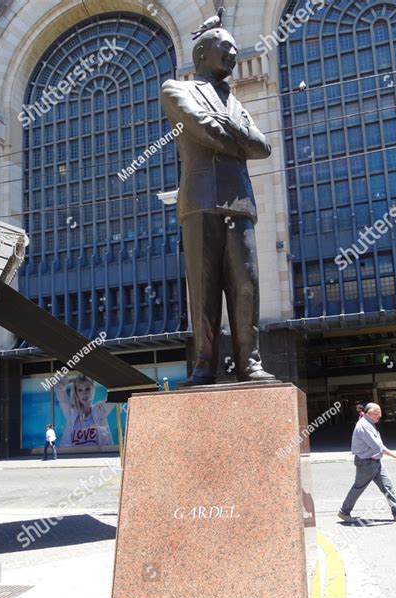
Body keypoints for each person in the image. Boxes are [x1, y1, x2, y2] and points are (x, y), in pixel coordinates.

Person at [160, 27, 276, 386]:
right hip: (199, 202)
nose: (233, 54)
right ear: (201, 54)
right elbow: (202, 127)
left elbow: (263, 148)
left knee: (246, 283)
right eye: (225, 48)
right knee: (203, 286)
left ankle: (249, 363)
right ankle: (204, 364)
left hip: (238, 202)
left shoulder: (236, 103)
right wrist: (238, 135)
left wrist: (233, 130)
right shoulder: (176, 89)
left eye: (235, 49)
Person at [338, 403, 396, 522]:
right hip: (366, 463)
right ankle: (344, 511)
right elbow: (378, 447)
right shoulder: (364, 426)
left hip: (375, 461)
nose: (380, 415)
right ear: (369, 413)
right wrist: (395, 455)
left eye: (380, 412)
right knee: (359, 487)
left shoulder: (369, 423)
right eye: (377, 412)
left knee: (387, 486)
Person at [54, 374, 114, 447]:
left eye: (87, 389)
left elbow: (115, 392)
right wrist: (71, 380)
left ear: (92, 390)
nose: (84, 394)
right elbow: (58, 386)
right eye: (80, 390)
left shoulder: (99, 409)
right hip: (74, 457)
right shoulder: (71, 412)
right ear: (76, 393)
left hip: (98, 457)